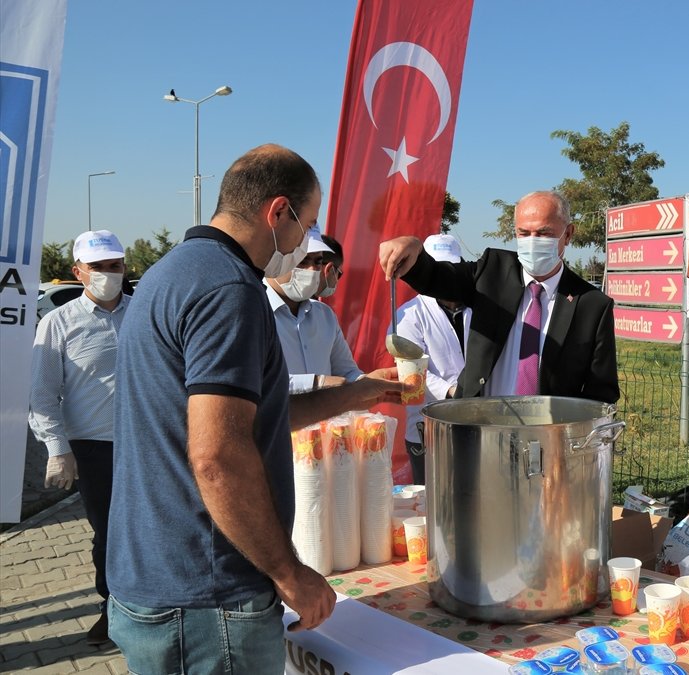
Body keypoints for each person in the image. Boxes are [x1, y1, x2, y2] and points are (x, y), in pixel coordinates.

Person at [106, 144, 412, 674]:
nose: (302, 243)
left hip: (157, 573)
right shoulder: (229, 289)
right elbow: (218, 456)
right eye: (305, 225)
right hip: (208, 592)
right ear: (277, 212)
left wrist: (357, 393)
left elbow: (249, 424)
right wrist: (288, 572)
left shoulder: (170, 273)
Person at [378, 191, 618, 403]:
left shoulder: (591, 305)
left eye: (544, 233)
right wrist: (414, 251)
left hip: (548, 439)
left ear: (568, 234)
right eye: (524, 233)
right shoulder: (493, 271)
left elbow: (601, 392)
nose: (533, 242)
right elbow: (439, 278)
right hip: (481, 428)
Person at [27, 229, 130, 646]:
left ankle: (150, 605)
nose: (109, 274)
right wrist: (58, 450)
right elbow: (41, 394)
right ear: (78, 271)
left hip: (146, 443)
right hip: (94, 450)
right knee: (108, 533)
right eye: (99, 267)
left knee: (150, 528)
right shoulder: (58, 323)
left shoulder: (142, 312)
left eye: (115, 266)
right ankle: (113, 609)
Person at [393, 234, 471, 484]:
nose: (443, 277)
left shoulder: (478, 308)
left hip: (474, 422)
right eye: (437, 269)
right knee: (431, 502)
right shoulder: (408, 315)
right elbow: (412, 370)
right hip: (427, 427)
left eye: (449, 269)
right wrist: (452, 390)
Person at [265, 226, 363, 392]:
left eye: (317, 262)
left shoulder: (324, 315)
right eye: (301, 261)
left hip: (326, 418)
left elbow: (347, 372)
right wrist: (318, 382)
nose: (311, 270)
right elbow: (258, 382)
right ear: (275, 259)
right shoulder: (251, 312)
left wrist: (374, 383)